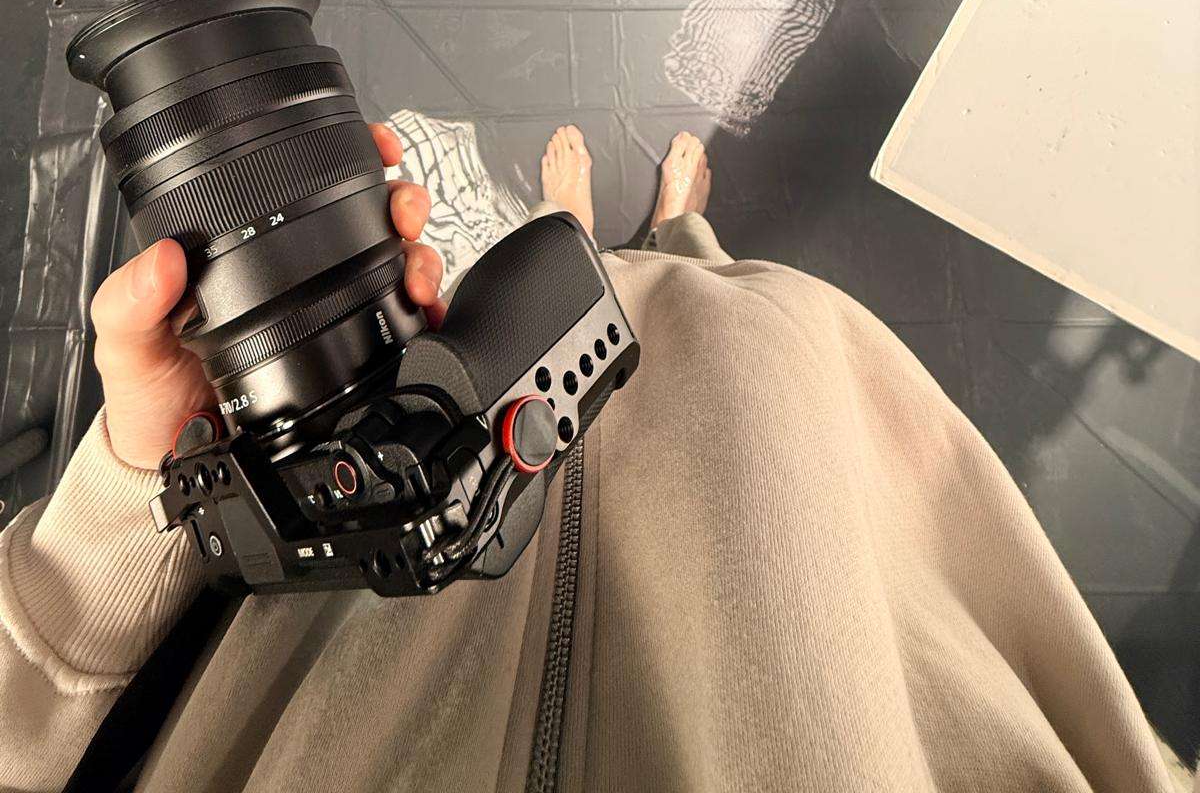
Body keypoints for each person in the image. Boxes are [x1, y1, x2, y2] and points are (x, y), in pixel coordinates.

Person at [0, 122, 1176, 793]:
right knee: (710, 314)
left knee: (535, 313)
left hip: (362, 576)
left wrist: (132, 496)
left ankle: (577, 239)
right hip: (771, 478)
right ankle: (661, 234)